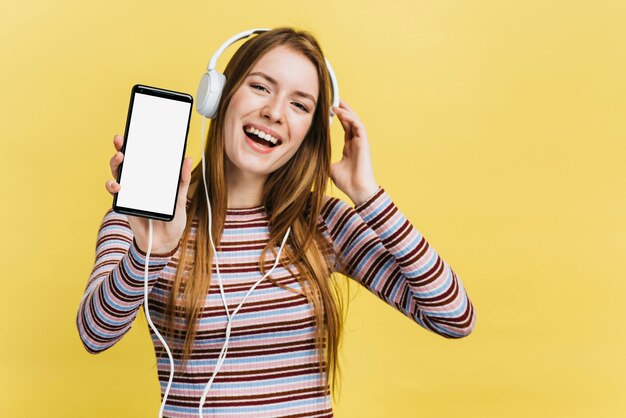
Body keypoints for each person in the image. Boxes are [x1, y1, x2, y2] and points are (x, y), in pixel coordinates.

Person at [76, 27, 476, 418]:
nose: (274, 112)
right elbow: (94, 334)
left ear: (309, 134)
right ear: (219, 96)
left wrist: (367, 194)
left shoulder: (323, 222)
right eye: (261, 87)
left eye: (300, 105)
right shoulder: (144, 221)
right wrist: (152, 250)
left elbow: (454, 317)